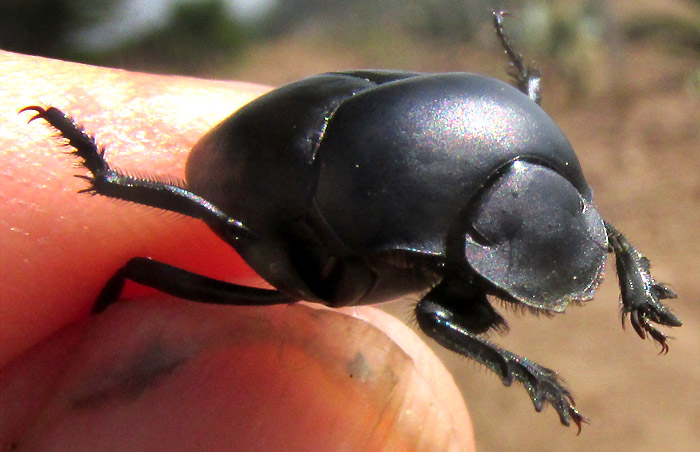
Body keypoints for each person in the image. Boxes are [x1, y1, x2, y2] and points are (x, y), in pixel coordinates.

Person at [0, 50, 474, 452]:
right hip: (269, 170)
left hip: (319, 160)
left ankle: (111, 184)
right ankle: (110, 180)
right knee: (182, 247)